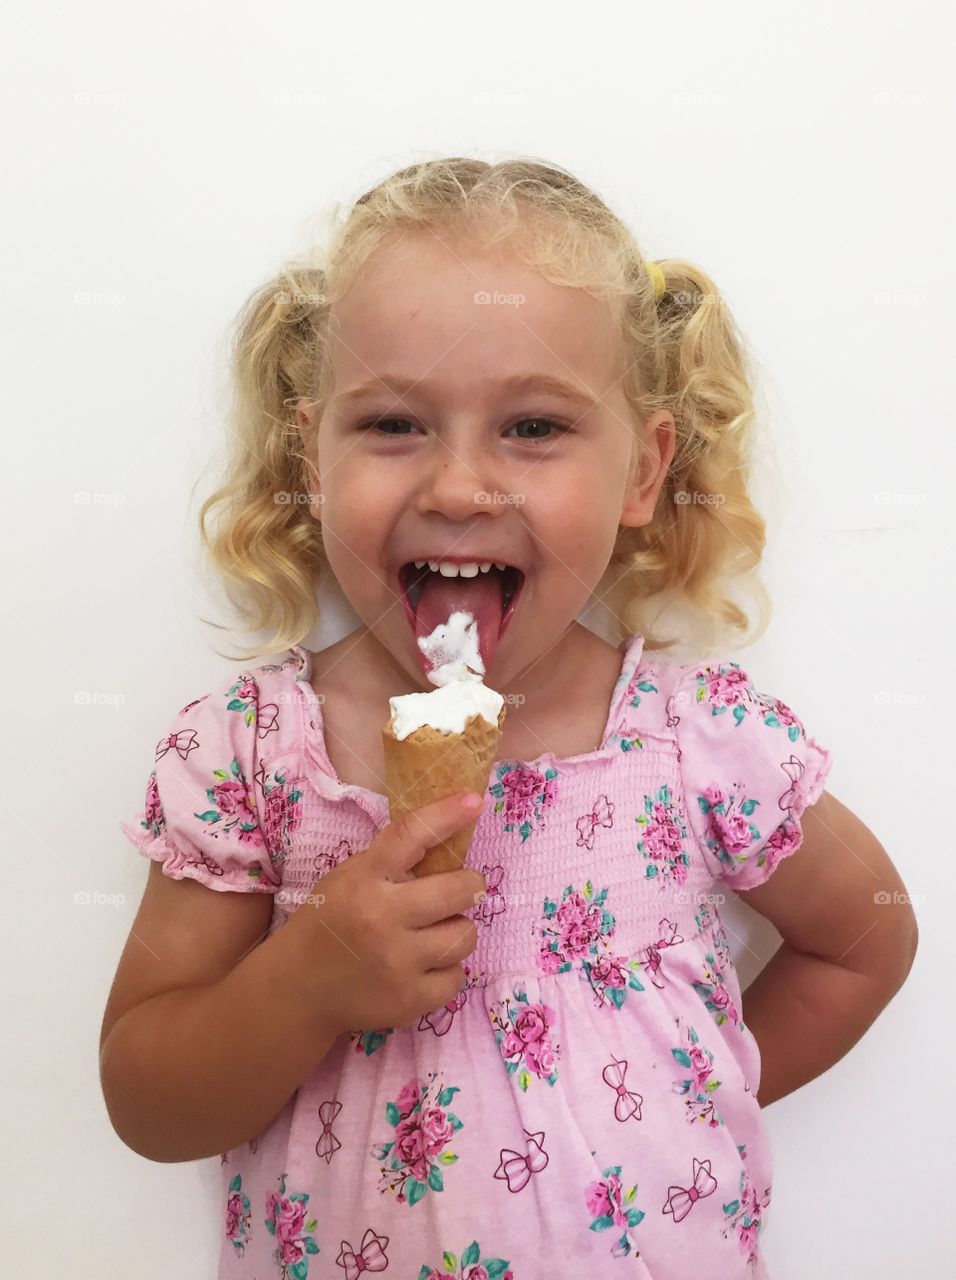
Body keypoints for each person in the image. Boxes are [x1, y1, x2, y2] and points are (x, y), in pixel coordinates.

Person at [100, 156, 918, 1279]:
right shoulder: (249, 752)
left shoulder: (694, 741)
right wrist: (303, 982)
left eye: (533, 427)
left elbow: (866, 937)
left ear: (643, 471)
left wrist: (689, 1094)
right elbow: (147, 1095)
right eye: (392, 423)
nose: (459, 486)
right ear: (312, 458)